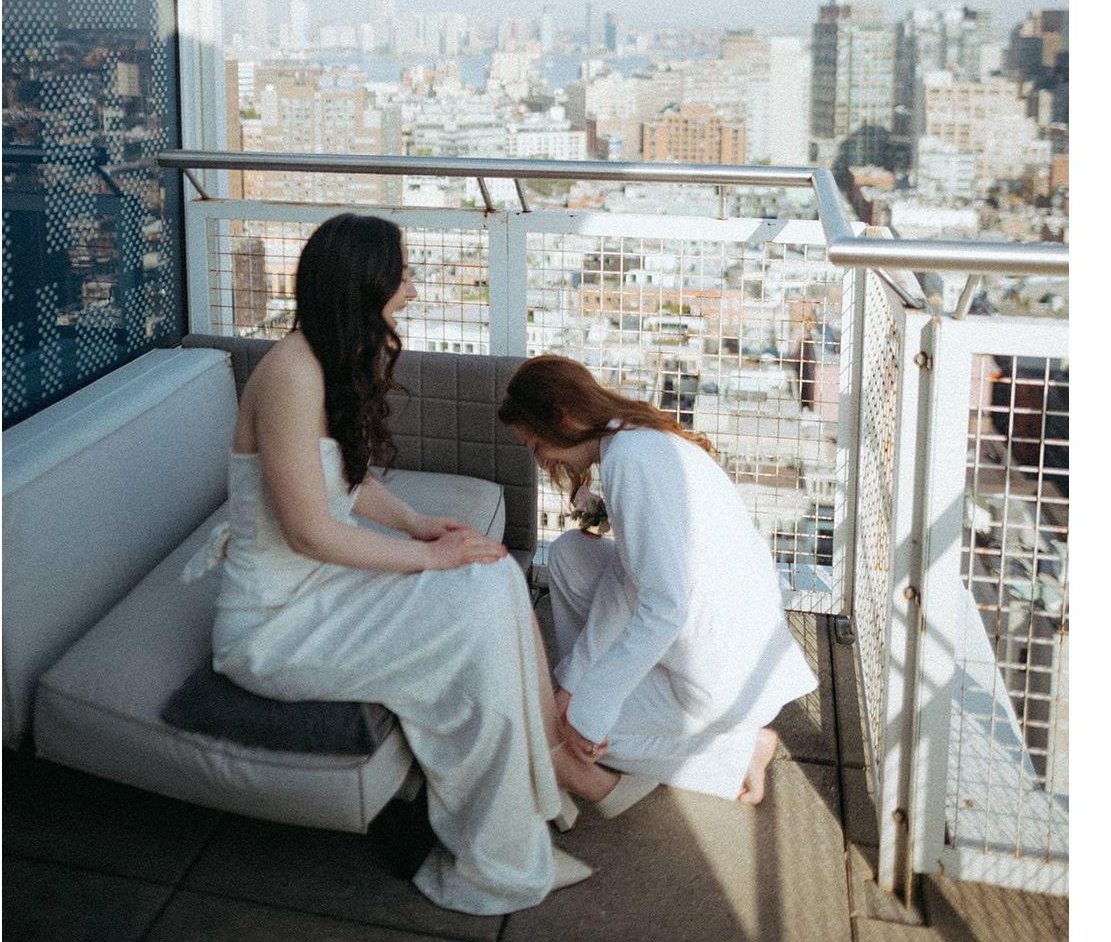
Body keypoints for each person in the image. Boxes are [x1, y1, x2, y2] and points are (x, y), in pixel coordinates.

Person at [191, 214, 610, 916]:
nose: (412, 290)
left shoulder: (324, 360)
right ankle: (495, 859)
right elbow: (310, 533)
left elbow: (342, 480)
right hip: (275, 626)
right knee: (473, 615)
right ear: (363, 286)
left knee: (495, 572)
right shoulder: (291, 375)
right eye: (403, 275)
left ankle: (540, 779)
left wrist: (418, 525)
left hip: (319, 591)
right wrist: (431, 558)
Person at [498, 355, 818, 807]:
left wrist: (590, 709)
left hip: (719, 677)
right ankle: (597, 709)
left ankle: (739, 750)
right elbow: (627, 579)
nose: (542, 460)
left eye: (536, 445)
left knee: (558, 730)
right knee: (570, 553)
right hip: (719, 642)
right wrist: (573, 685)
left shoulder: (631, 461)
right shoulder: (634, 441)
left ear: (562, 419)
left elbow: (665, 607)